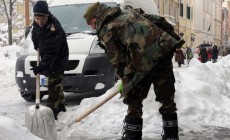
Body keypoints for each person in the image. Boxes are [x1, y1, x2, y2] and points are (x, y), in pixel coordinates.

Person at [84, 2, 184, 140]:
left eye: (91, 22)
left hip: (141, 62)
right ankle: (171, 136)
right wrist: (173, 43)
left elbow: (118, 60)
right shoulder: (129, 13)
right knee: (167, 99)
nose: (92, 27)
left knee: (134, 100)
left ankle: (132, 137)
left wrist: (125, 80)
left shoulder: (107, 29)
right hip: (162, 52)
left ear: (97, 17)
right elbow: (160, 21)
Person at [30, 1, 69, 120]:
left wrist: (41, 66)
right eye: (37, 19)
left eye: (42, 19)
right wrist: (37, 45)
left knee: (53, 84)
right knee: (57, 84)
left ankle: (51, 113)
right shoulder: (37, 23)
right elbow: (34, 34)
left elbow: (52, 53)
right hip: (47, 57)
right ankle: (61, 107)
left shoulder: (54, 28)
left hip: (57, 59)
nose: (39, 22)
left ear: (47, 16)